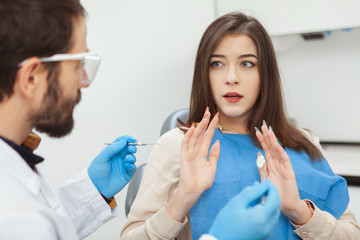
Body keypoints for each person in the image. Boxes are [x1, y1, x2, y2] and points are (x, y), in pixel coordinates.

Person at [121, 12, 360, 240]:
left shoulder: (304, 144)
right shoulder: (177, 145)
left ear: (264, 73)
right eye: (217, 64)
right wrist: (182, 198)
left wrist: (300, 211)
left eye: (247, 64)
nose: (231, 77)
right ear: (204, 74)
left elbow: (352, 233)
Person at [0, 0, 137, 239]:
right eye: (77, 67)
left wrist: (94, 190)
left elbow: (46, 223)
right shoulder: (13, 216)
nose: (83, 82)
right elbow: (31, 226)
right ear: (31, 78)